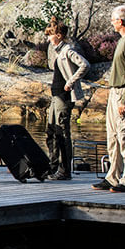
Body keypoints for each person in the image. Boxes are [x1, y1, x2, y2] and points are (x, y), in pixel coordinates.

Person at [92, 4, 125, 193]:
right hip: (115, 91)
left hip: (124, 93)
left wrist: (124, 100)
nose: (112, 23)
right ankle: (112, 176)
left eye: (113, 20)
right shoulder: (122, 40)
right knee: (113, 137)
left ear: (120, 21)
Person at [44, 17, 89, 180]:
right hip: (55, 97)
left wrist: (70, 82)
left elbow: (85, 65)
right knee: (51, 131)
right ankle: (53, 166)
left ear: (59, 35)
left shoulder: (67, 50)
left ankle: (65, 170)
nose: (48, 39)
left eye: (50, 35)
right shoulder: (58, 52)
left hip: (64, 98)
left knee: (62, 133)